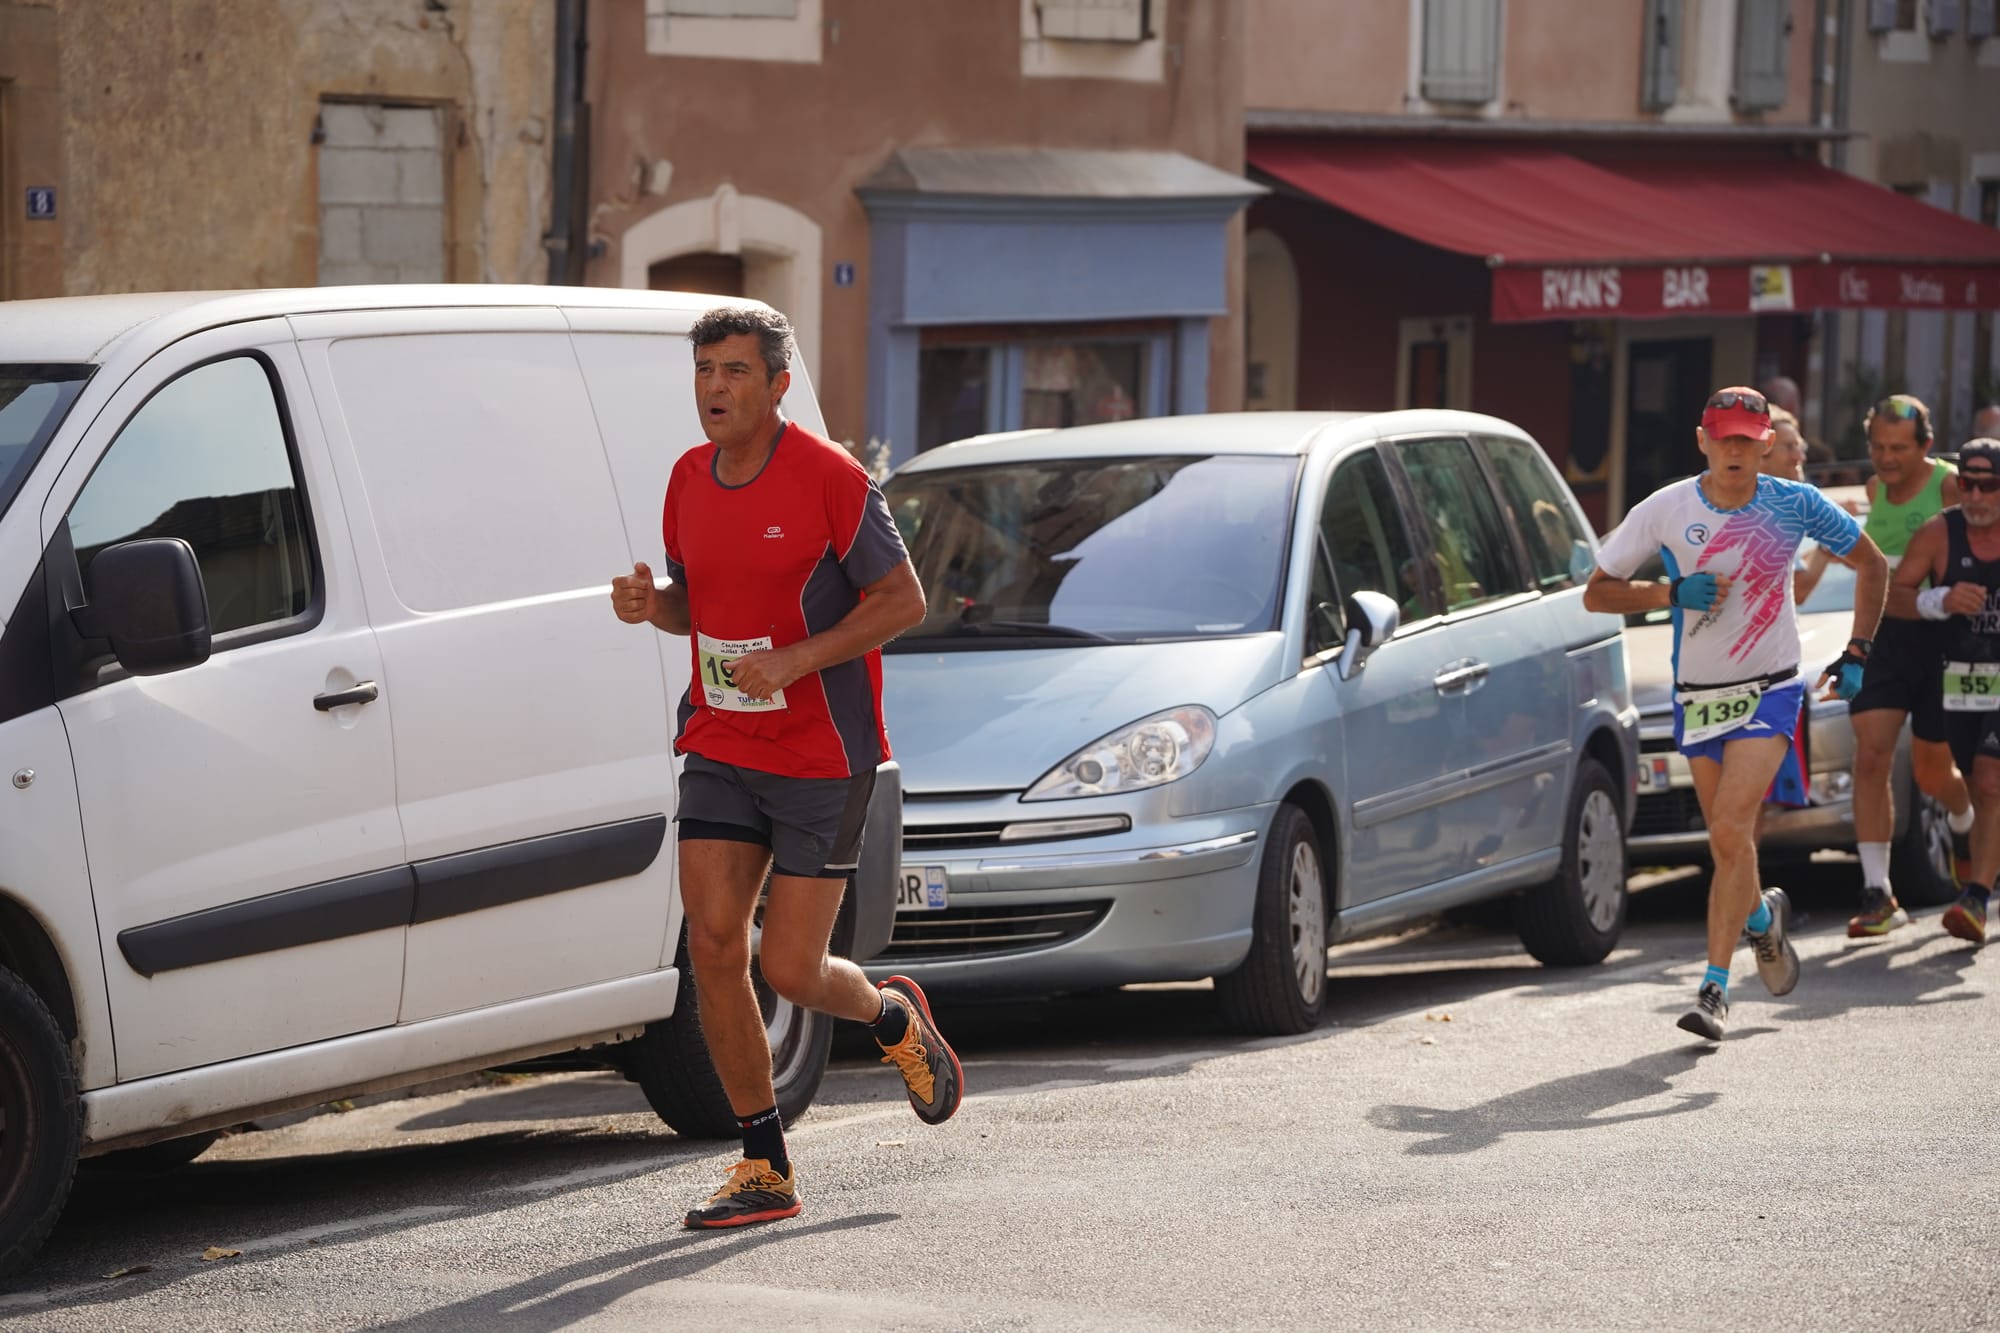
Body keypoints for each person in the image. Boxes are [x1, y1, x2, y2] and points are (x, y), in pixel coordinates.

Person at [609, 305, 962, 1229]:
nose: (714, 388)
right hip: (723, 740)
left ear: (776, 384)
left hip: (822, 754)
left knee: (796, 970)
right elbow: (698, 601)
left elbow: (904, 599)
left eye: (733, 371)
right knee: (715, 945)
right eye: (703, 371)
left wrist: (799, 659)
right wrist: (657, 606)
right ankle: (764, 1163)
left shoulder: (832, 479)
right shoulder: (687, 479)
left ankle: (890, 1017)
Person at [1586, 387, 1887, 1040]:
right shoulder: (1666, 509)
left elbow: (1873, 563)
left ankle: (1715, 989)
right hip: (1697, 695)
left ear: (1766, 445)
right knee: (1730, 842)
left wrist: (1858, 648)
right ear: (1702, 440)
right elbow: (1595, 591)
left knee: (1728, 826)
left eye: (1747, 438)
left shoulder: (1794, 503)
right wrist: (1670, 591)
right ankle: (1759, 920)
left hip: (1771, 688)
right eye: (1723, 436)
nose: (1735, 448)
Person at [1844, 394, 1974, 937]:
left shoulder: (1949, 485)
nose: (1886, 459)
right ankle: (1879, 893)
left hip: (1942, 639)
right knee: (1871, 757)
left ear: (1925, 446)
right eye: (1877, 446)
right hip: (1884, 636)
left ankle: (1965, 822)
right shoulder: (1873, 491)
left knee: (1929, 771)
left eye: (1899, 448)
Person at [1893, 437, 2000, 946]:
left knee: (1990, 778)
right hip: (1955, 675)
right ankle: (1979, 858)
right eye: (1967, 484)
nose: (1975, 496)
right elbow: (1894, 596)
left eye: (1988, 486)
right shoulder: (1941, 532)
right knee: (1953, 779)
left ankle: (1976, 896)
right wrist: (1940, 598)